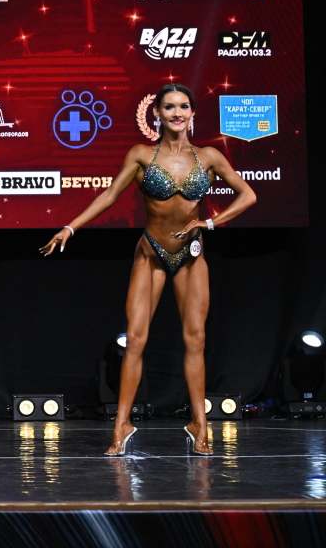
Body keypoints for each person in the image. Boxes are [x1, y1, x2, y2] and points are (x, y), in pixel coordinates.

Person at [41, 83, 256, 456]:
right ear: (156, 113)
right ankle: (121, 425)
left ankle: (200, 424)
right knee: (135, 339)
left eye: (183, 107)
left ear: (192, 113)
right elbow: (110, 195)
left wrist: (208, 223)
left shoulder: (208, 157)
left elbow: (248, 194)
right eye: (169, 107)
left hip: (191, 255)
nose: (177, 113)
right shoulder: (141, 154)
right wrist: (70, 228)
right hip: (151, 253)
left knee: (196, 340)